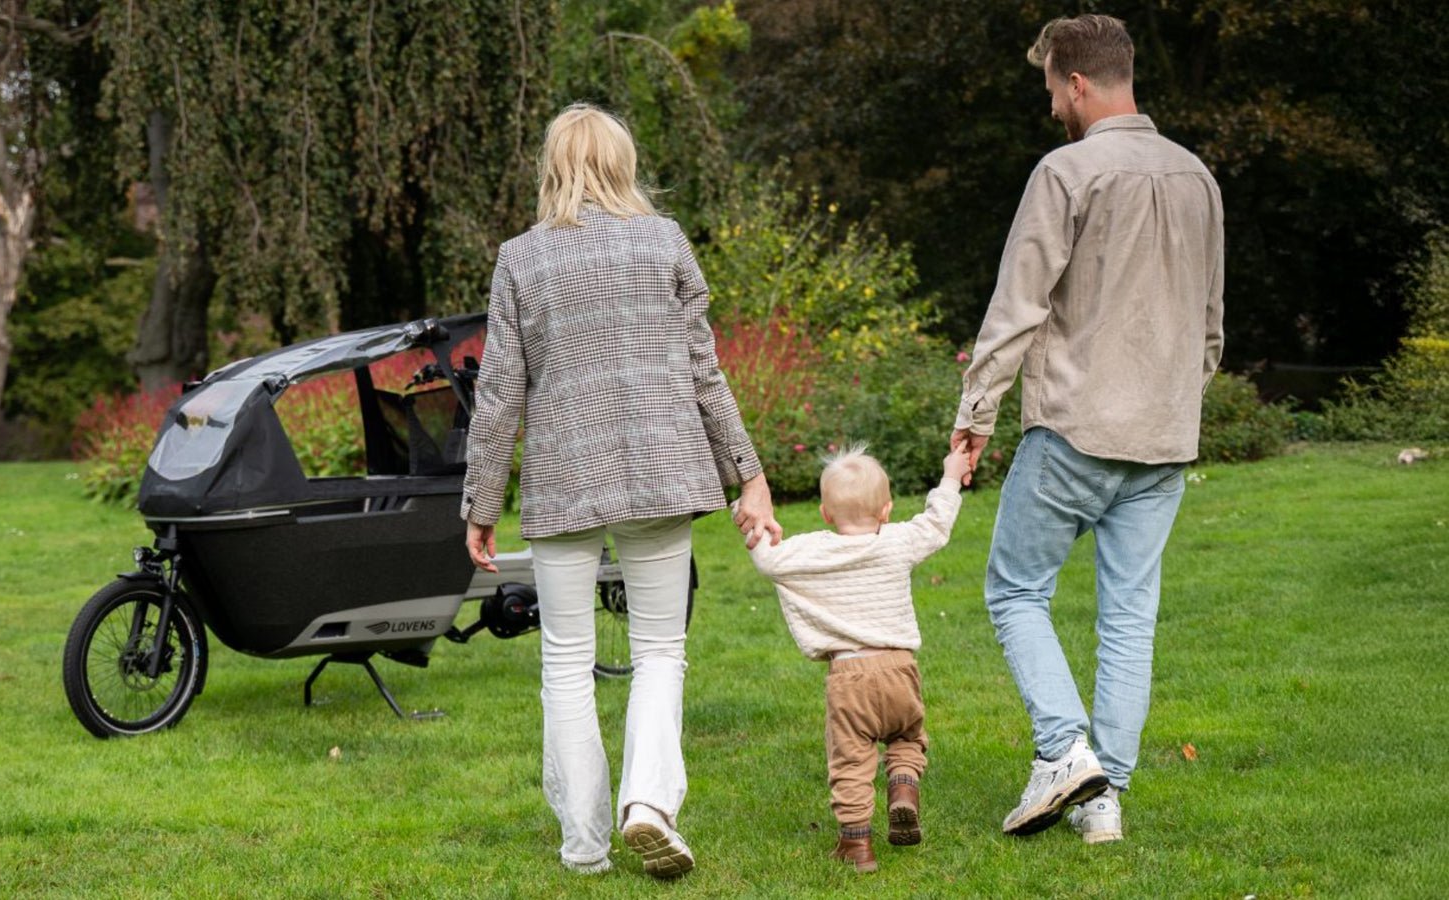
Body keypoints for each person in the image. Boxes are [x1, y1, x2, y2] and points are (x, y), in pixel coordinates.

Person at [460, 103, 783, 878]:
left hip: (564, 478)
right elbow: (705, 371)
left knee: (565, 664)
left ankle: (584, 845)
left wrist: (480, 504)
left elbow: (498, 392)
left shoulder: (520, 259)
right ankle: (647, 803)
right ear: (621, 164)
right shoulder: (663, 241)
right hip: (663, 470)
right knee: (660, 652)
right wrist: (750, 473)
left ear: (554, 168)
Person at [950, 14, 1225, 843]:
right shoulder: (1198, 178)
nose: (1050, 109)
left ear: (1075, 83)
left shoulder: (1065, 171)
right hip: (1164, 439)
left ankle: (1064, 751)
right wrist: (1175, 401)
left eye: (1050, 91)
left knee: (1014, 590)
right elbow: (1210, 328)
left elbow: (1018, 305)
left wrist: (975, 415)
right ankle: (1104, 803)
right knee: (1129, 617)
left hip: (1075, 428)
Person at [746, 446, 967, 873]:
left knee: (851, 759)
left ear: (825, 513)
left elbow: (769, 561)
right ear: (886, 509)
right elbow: (937, 524)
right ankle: (903, 788)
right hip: (900, 669)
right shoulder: (897, 540)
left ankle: (857, 845)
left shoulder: (816, 549)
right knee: (907, 736)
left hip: (849, 676)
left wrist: (753, 518)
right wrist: (951, 477)